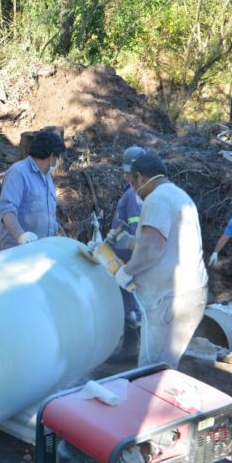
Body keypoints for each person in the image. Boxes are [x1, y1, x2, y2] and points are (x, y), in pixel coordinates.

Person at [111, 152, 208, 368]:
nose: (134, 189)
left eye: (133, 182)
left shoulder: (157, 199)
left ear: (142, 178)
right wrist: (130, 241)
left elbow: (153, 248)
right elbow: (166, 240)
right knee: (165, 367)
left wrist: (127, 271)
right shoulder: (178, 195)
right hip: (189, 294)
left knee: (151, 371)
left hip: (169, 301)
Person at [0, 130, 67, 249]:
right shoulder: (18, 173)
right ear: (51, 156)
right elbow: (6, 210)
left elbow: (48, 213)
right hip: (18, 251)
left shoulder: (46, 177)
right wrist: (21, 236)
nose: (58, 162)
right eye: (57, 157)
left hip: (41, 249)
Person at [105, 146, 145, 358]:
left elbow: (134, 229)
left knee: (130, 305)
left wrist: (119, 240)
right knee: (133, 304)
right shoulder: (140, 194)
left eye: (127, 171)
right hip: (132, 258)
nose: (125, 174)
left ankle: (131, 348)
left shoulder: (133, 196)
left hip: (127, 260)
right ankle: (133, 347)